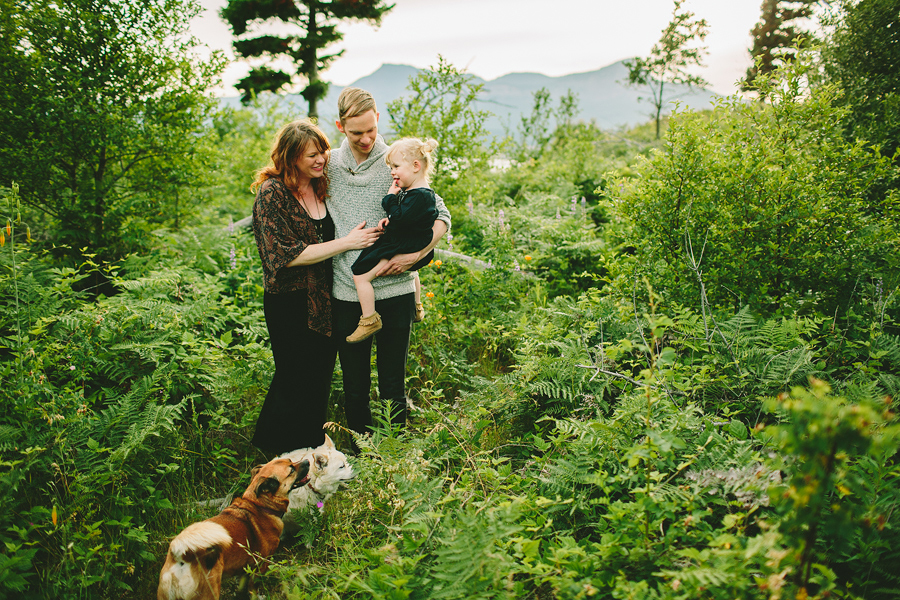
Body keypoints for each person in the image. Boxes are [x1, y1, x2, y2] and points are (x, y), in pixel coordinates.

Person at [250, 119, 381, 455]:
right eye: (312, 155)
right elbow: (284, 257)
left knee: (320, 378)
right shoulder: (273, 193)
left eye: (323, 151)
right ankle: (274, 451)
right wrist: (348, 243)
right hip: (289, 303)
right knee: (293, 378)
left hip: (325, 299)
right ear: (291, 157)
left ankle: (308, 451)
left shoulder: (321, 184)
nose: (321, 159)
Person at [327, 88, 451, 433]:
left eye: (371, 128)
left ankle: (393, 453)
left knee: (393, 382)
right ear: (340, 126)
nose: (366, 138)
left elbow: (441, 212)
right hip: (347, 290)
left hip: (395, 288)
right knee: (355, 384)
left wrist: (418, 254)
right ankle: (364, 454)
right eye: (356, 132)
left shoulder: (396, 159)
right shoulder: (330, 166)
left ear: (377, 118)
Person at [345, 137, 440, 344]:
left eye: (396, 166)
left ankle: (369, 319)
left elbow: (402, 217)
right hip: (410, 241)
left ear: (416, 166)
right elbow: (408, 219)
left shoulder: (420, 196)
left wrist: (389, 198)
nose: (392, 172)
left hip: (402, 243)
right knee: (411, 270)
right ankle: (417, 306)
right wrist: (389, 222)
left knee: (360, 275)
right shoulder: (417, 193)